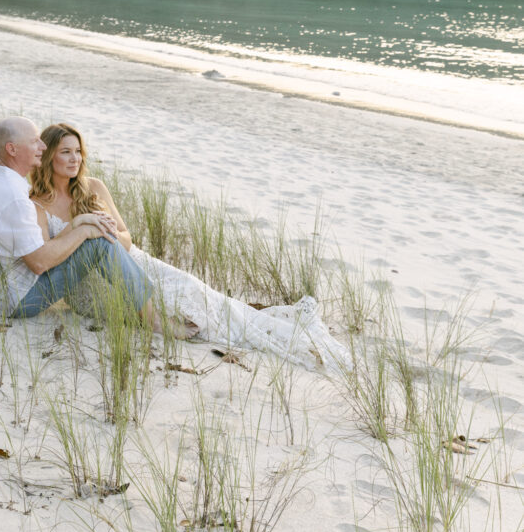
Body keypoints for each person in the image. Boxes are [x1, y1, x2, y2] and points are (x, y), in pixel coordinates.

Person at [29, 122, 351, 374]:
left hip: (131, 261)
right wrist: (80, 229)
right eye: (65, 152)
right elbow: (50, 257)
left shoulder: (93, 187)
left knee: (200, 298)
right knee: (187, 316)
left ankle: (281, 332)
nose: (75, 159)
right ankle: (158, 322)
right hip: (87, 286)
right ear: (49, 157)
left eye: (78, 151)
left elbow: (126, 239)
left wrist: (105, 232)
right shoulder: (38, 204)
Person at [0, 116, 194, 335]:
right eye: (35, 142)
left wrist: (79, 223)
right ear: (12, 149)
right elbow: (39, 263)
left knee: (102, 243)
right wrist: (84, 231)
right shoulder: (17, 196)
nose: (42, 146)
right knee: (100, 245)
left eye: (77, 152)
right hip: (15, 300)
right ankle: (154, 321)